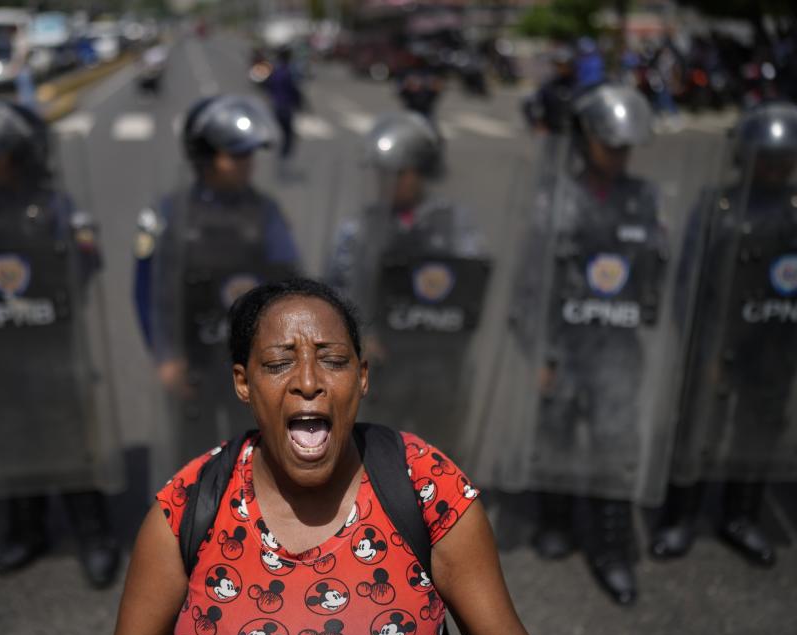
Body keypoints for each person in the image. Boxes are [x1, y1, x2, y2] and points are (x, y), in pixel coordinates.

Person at [114, 277, 528, 635]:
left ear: (362, 377)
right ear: (243, 383)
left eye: (333, 361)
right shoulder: (187, 508)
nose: (309, 382)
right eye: (278, 363)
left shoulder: (426, 486)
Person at [0, 99, 122, 588]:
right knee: (12, 441)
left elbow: (86, 260)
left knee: (70, 440)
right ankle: (26, 529)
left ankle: (93, 534)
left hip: (52, 348)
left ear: (19, 157)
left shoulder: (54, 208)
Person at [508, 84, 670, 605]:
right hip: (564, 344)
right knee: (555, 430)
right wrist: (540, 354)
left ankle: (613, 550)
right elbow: (531, 286)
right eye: (609, 144)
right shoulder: (555, 200)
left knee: (615, 442)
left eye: (626, 147)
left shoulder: (643, 198)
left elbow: (657, 271)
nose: (619, 156)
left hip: (617, 346)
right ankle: (555, 518)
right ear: (583, 141)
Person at [650, 101, 797, 567]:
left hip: (774, 342)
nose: (775, 165)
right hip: (717, 342)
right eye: (766, 155)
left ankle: (742, 516)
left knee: (760, 430)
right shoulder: (718, 205)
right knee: (697, 430)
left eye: (785, 156)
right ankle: (681, 516)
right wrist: (696, 345)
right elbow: (690, 282)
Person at [133, 94, 299, 465]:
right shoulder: (168, 215)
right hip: (194, 359)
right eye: (236, 156)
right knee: (196, 461)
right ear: (205, 156)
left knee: (260, 457)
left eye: (250, 156)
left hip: (255, 362)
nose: (247, 165)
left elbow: (290, 286)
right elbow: (150, 293)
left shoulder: (266, 212)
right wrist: (165, 357)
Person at [327, 111, 489, 452]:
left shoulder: (454, 225)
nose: (389, 182)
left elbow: (471, 284)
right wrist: (358, 337)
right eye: (382, 173)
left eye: (400, 174)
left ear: (421, 173)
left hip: (440, 363)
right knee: (376, 454)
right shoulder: (360, 229)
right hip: (381, 365)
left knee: (439, 455)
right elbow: (337, 291)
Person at [523, 45, 577, 135]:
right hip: (553, 131)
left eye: (565, 64)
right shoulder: (550, 85)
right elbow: (531, 103)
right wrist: (537, 123)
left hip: (575, 134)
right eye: (559, 65)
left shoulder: (578, 84)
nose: (562, 68)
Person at [262, 47, 304, 164]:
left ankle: (280, 153)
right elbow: (294, 89)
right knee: (288, 134)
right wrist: (299, 102)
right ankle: (284, 156)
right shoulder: (289, 72)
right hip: (285, 107)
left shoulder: (275, 70)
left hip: (276, 105)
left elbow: (268, 85)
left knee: (280, 130)